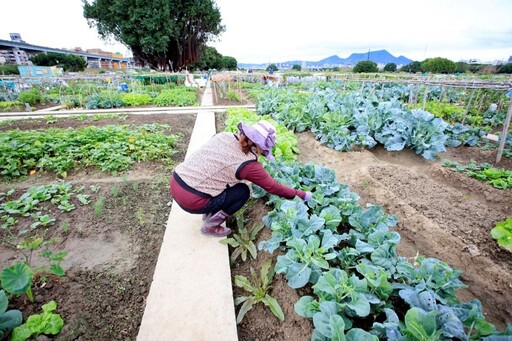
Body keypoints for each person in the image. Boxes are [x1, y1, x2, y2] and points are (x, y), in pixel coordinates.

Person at [170, 120, 312, 237]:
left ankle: (209, 213)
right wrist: (303, 195)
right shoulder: (249, 165)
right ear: (261, 146)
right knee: (242, 191)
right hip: (192, 200)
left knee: (226, 181)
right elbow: (273, 187)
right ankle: (211, 226)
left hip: (176, 180)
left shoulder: (224, 136)